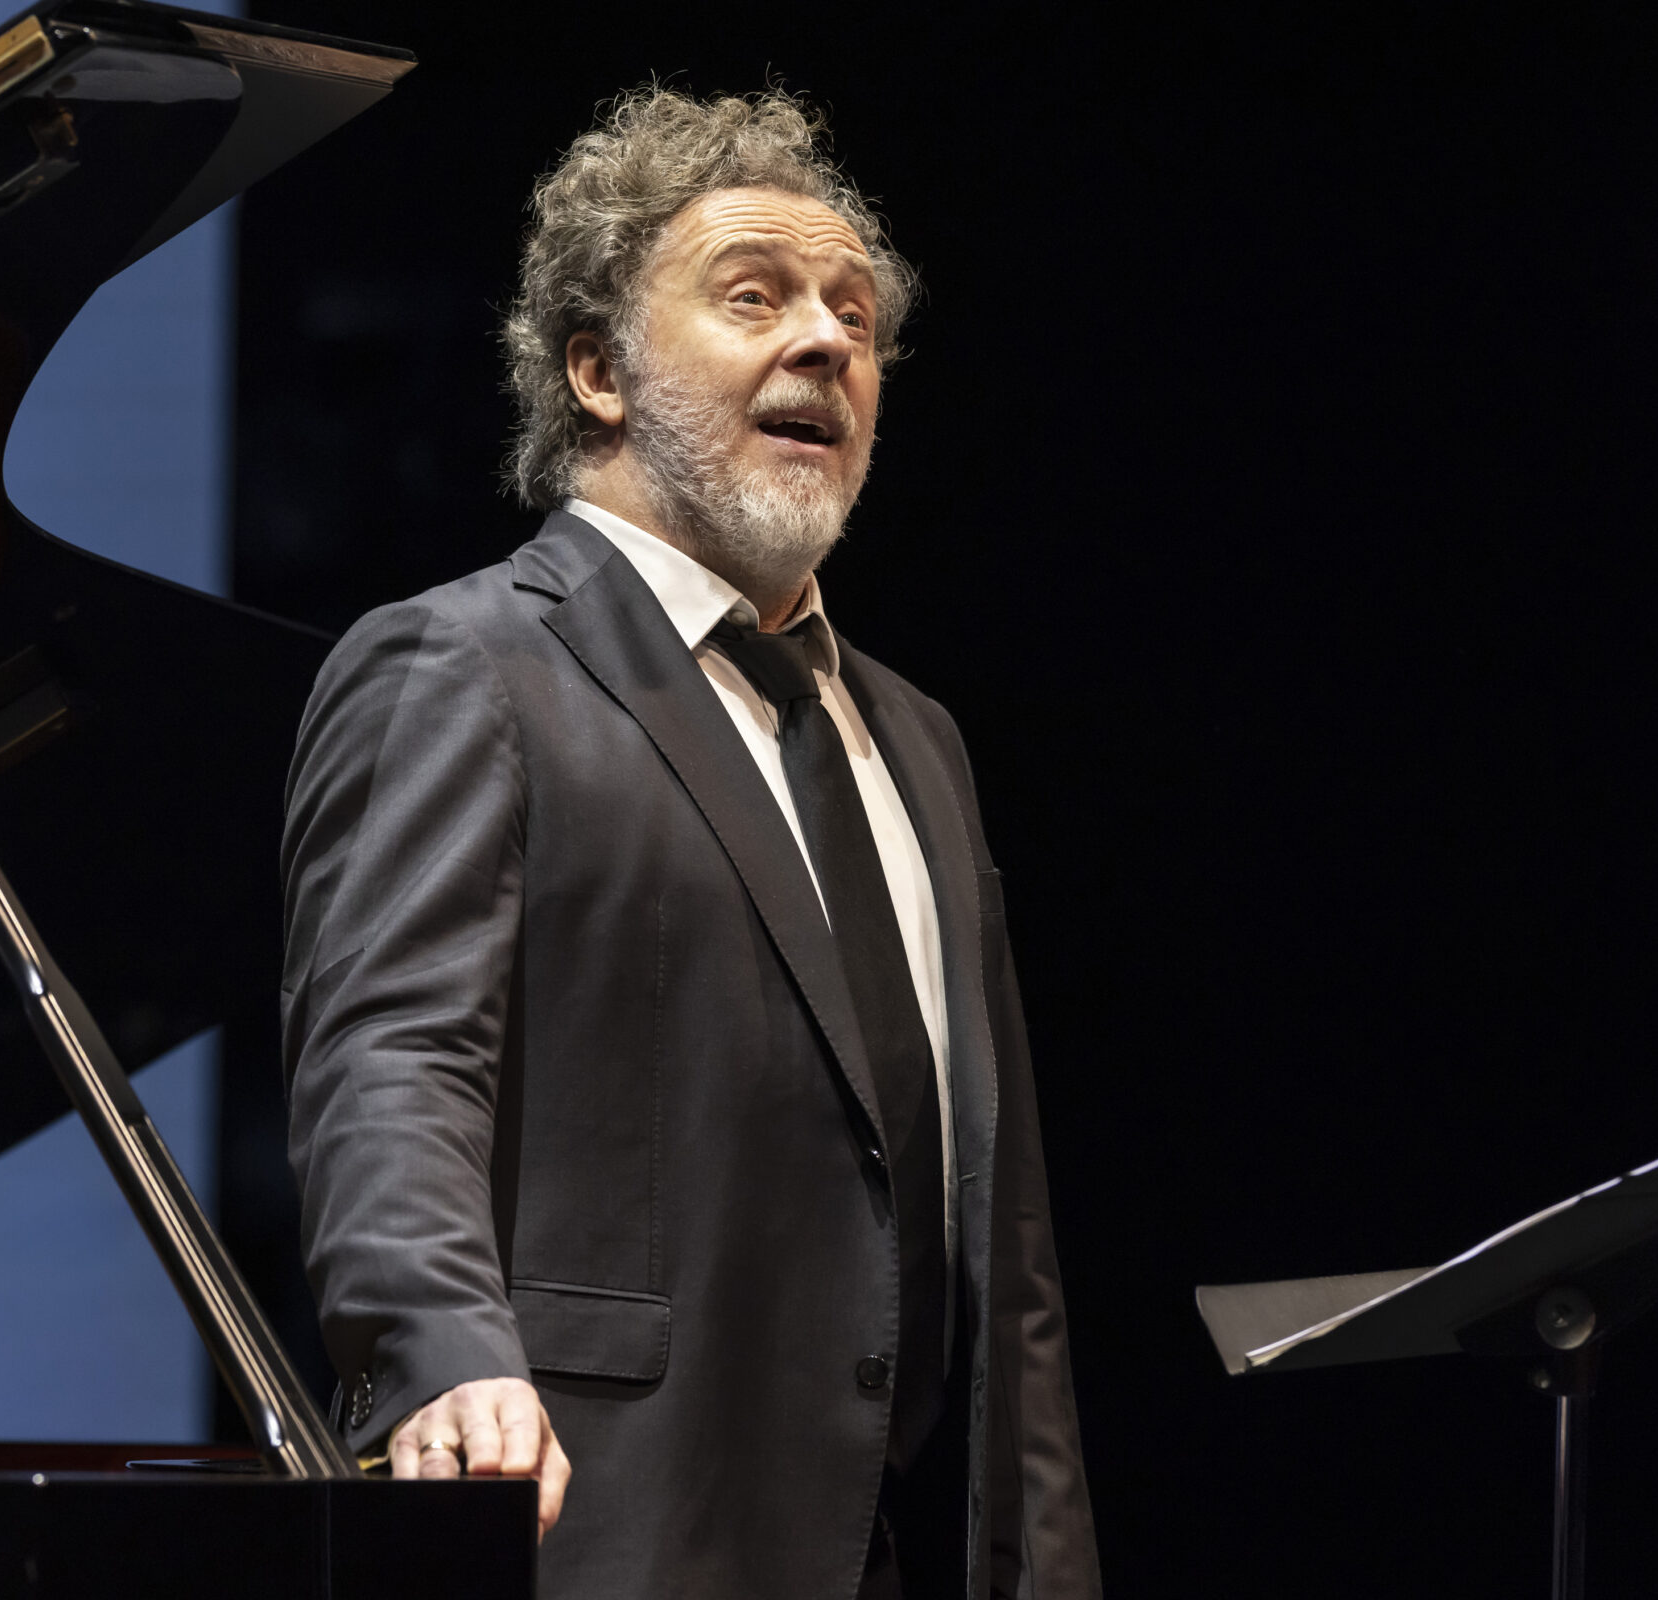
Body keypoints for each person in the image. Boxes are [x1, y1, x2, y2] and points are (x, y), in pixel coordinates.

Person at [282, 86, 1100, 1599]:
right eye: (756, 296)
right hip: (594, 1524)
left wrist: (1043, 1561)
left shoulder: (917, 737)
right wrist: (438, 1353)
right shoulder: (466, 666)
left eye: (855, 314)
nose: (827, 342)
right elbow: (392, 1063)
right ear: (598, 369)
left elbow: (1007, 1228)